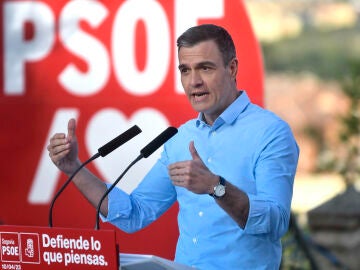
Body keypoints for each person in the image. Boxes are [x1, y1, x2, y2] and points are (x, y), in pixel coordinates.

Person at [48, 24, 299, 269]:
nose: (194, 82)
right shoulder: (180, 138)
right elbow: (135, 213)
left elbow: (275, 222)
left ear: (231, 68)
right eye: (185, 70)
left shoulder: (271, 133)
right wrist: (74, 169)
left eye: (205, 68)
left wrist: (216, 186)